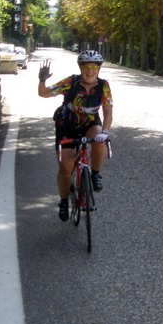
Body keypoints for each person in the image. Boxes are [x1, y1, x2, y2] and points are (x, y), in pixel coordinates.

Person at [38, 50, 113, 221]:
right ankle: (64, 201)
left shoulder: (103, 85)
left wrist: (106, 131)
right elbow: (43, 93)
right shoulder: (70, 82)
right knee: (65, 167)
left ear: (98, 69)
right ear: (81, 68)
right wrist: (42, 80)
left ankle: (95, 174)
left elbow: (108, 112)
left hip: (90, 123)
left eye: (94, 67)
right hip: (67, 125)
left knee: (99, 138)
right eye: (86, 67)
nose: (90, 71)